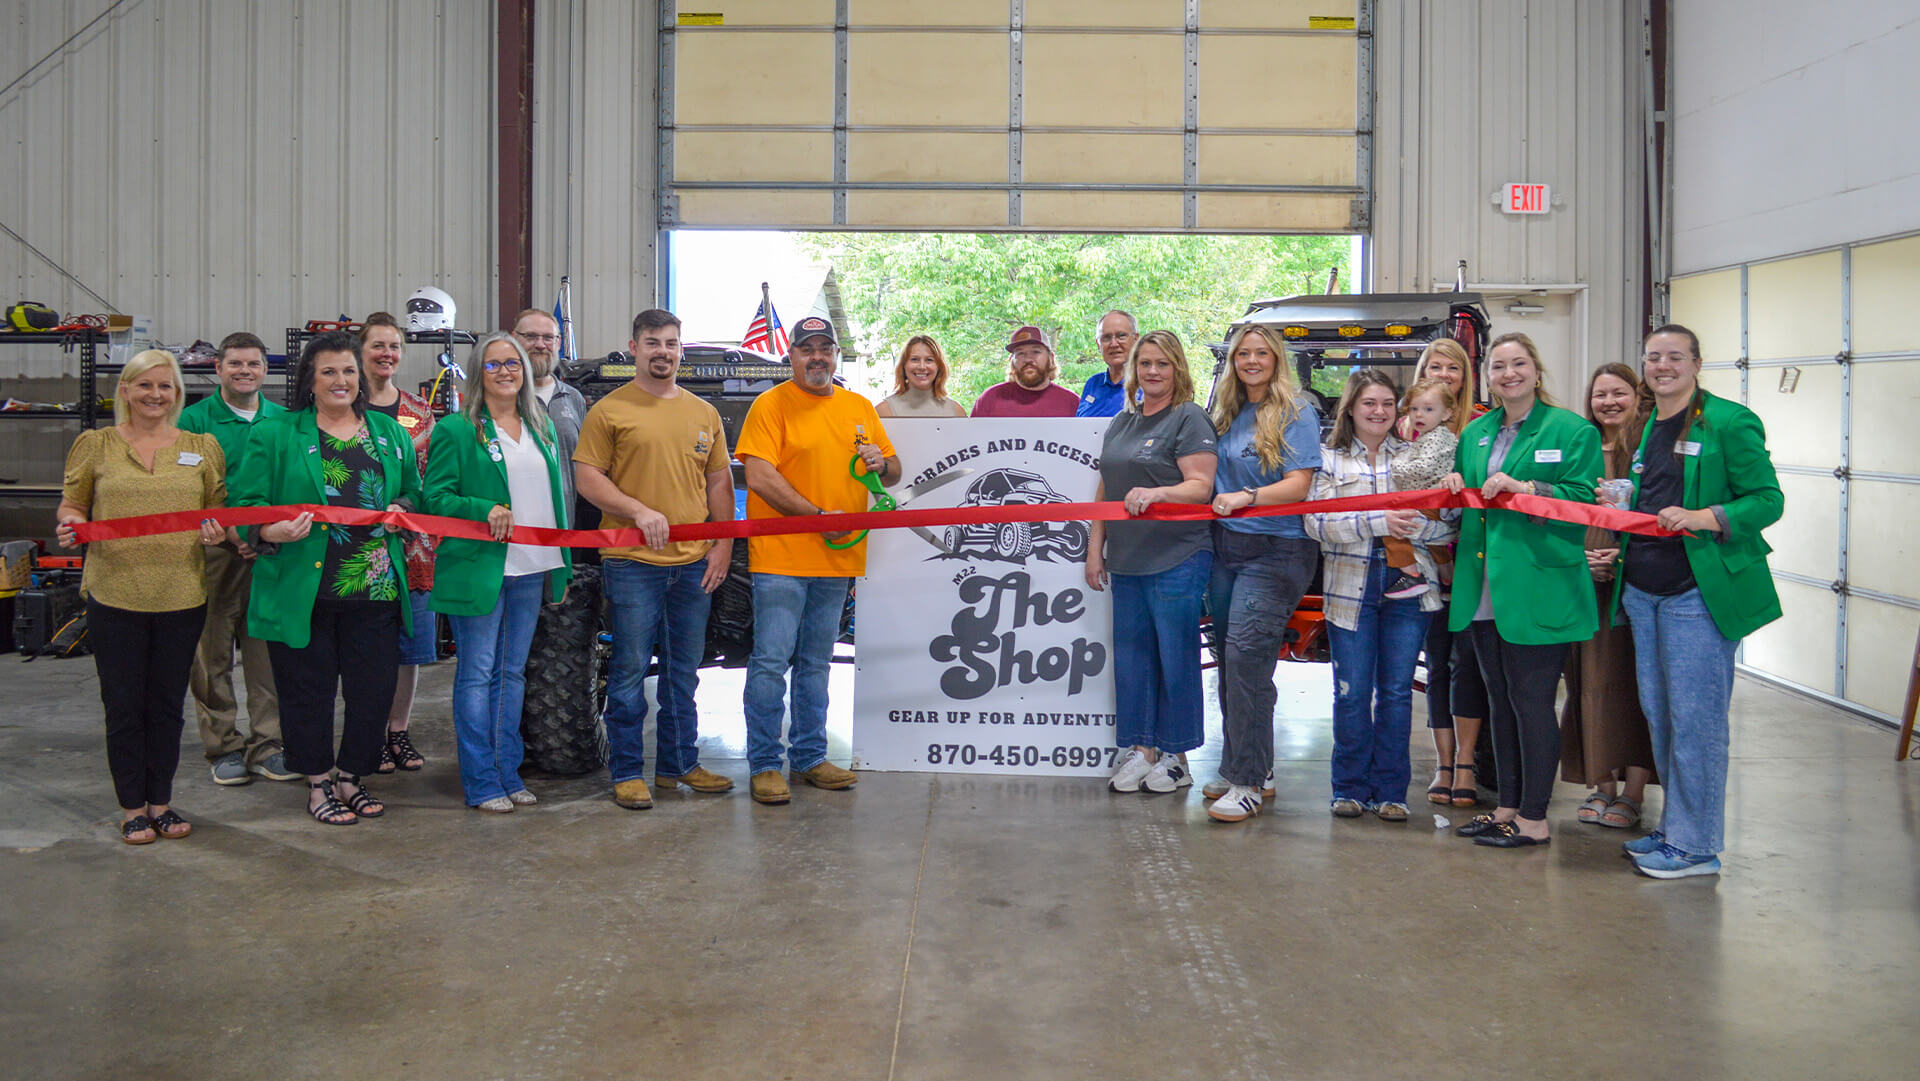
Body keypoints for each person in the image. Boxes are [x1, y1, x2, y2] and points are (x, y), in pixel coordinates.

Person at [228, 331, 424, 826]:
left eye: (349, 371)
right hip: (302, 589)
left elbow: (414, 493)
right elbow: (243, 505)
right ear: (309, 382)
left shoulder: (389, 432)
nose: (341, 381)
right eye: (329, 372)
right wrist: (267, 529)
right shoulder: (277, 433)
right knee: (306, 691)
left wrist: (402, 508)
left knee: (372, 691)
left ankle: (351, 777)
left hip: (375, 588)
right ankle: (318, 783)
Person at [1613, 325, 1782, 879]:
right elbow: (1653, 493)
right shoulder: (1646, 425)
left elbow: (1767, 500)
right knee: (1661, 716)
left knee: (1696, 721)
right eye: (1654, 357)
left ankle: (1697, 847)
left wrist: (1708, 518)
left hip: (1697, 592)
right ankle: (1676, 829)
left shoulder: (1729, 421)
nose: (1663, 366)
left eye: (1675, 357)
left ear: (1697, 363)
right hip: (1644, 589)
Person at [56, 350, 226, 844]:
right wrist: (70, 525)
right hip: (115, 595)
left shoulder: (201, 445)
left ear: (177, 394)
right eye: (145, 385)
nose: (155, 395)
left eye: (166, 387)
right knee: (124, 705)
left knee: (168, 705)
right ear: (125, 390)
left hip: (181, 595)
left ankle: (162, 803)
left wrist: (216, 534)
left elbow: (216, 511)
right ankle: (132, 807)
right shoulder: (97, 445)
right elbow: (73, 504)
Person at [1442, 332, 1602, 848]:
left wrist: (1530, 488)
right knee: (1500, 702)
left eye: (1518, 364)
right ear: (1486, 376)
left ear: (1536, 370)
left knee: (1532, 703)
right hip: (1485, 586)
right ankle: (1507, 805)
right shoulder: (1477, 432)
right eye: (1497, 366)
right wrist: (1450, 488)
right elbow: (1469, 498)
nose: (1508, 374)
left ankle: (1534, 817)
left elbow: (1584, 500)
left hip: (1539, 585)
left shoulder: (1572, 431)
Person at [574, 309, 737, 809]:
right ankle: (627, 772)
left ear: (680, 349)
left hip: (694, 565)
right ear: (635, 348)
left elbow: (718, 481)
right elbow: (588, 478)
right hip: (632, 563)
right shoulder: (609, 410)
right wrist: (636, 510)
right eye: (652, 343)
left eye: (670, 343)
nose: (662, 351)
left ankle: (677, 766)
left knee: (683, 673)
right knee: (626, 673)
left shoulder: (702, 412)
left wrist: (722, 545)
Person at [736, 314, 897, 805]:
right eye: (807, 349)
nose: (817, 357)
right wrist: (818, 516)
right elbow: (759, 476)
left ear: (835, 356)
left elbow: (892, 471)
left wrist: (881, 463)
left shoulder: (858, 407)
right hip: (782, 558)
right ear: (792, 357)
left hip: (836, 560)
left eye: (825, 348)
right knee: (770, 661)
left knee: (815, 663)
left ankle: (809, 757)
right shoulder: (771, 405)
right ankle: (765, 763)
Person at [426, 333, 572, 813]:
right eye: (493, 365)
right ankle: (482, 782)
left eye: (513, 363)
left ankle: (508, 773)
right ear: (478, 373)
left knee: (512, 674)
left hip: (532, 567)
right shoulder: (456, 429)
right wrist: (482, 507)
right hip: (481, 568)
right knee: (477, 674)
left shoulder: (541, 424)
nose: (506, 371)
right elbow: (436, 499)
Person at [1305, 370, 1457, 821]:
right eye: (1370, 403)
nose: (1379, 411)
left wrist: (1418, 526)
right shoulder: (1328, 460)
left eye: (1389, 403)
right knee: (1351, 693)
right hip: (1348, 588)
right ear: (1351, 407)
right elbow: (1316, 524)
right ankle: (1348, 788)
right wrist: (1378, 523)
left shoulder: (1417, 456)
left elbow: (1446, 526)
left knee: (1395, 693)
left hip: (1409, 589)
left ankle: (1392, 793)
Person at [1085, 330, 1217, 795]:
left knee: (1175, 657)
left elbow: (1200, 486)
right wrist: (1094, 545)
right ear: (1134, 370)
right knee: (1133, 658)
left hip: (1177, 556)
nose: (1153, 371)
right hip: (1127, 558)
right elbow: (1106, 486)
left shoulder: (1189, 418)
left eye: (1162, 363)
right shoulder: (1123, 423)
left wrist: (1158, 493)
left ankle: (1177, 757)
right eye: (1146, 364)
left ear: (1177, 368)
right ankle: (1141, 751)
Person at [1200, 324, 1321, 822]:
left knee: (1247, 659)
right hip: (1227, 548)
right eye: (1243, 353)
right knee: (1233, 663)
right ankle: (1254, 767)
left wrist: (1247, 498)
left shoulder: (1298, 411)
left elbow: (1299, 484)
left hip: (1279, 550)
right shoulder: (1226, 413)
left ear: (1276, 360)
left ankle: (1246, 783)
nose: (1252, 360)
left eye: (1261, 353)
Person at [178, 331, 294, 786]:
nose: (245, 371)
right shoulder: (193, 422)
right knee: (213, 653)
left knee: (267, 652)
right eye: (235, 364)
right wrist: (230, 533)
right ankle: (223, 745)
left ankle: (268, 744)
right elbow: (183, 489)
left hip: (269, 553)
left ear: (266, 370)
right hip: (213, 554)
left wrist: (262, 536)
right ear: (218, 369)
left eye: (253, 364)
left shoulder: (285, 421)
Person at [1562, 362, 1656, 830]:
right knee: (1591, 683)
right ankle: (1603, 785)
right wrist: (1579, 561)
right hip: (1582, 581)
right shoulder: (1580, 447)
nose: (1608, 403)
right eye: (1600, 394)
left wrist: (1619, 560)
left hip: (1634, 579)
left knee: (1634, 685)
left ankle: (1634, 792)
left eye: (1618, 393)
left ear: (1636, 397)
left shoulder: (1648, 450)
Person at [1400, 338, 1489, 807]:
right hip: (1425, 564)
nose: (1445, 373)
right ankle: (1444, 763)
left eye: (1453, 368)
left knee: (1468, 667)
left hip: (1471, 564)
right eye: (1435, 366)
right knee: (1436, 665)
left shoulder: (1481, 427)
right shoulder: (1407, 427)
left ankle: (1470, 764)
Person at [359, 312, 437, 773]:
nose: (387, 354)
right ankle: (366, 732)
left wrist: (407, 506)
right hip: (354, 552)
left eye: (394, 347)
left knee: (408, 650)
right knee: (364, 648)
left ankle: (397, 732)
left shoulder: (418, 413)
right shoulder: (340, 408)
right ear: (360, 351)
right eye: (378, 346)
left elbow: (428, 481)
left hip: (412, 551)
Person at [1380, 377, 1460, 599]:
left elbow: (1423, 468)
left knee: (1393, 527)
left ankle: (1412, 574)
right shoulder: (1431, 437)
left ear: (1445, 414)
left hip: (1430, 502)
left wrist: (1396, 465)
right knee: (1437, 545)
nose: (1419, 415)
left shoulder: (1436, 438)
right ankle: (1448, 580)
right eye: (1414, 409)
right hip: (1436, 504)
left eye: (1428, 409)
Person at [512, 307, 588, 512]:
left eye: (548, 338)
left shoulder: (573, 399)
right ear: (514, 339)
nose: (540, 345)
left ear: (558, 343)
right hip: (516, 528)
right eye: (530, 336)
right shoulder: (503, 398)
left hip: (567, 528)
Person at [970, 325, 1081, 417]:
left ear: (1051, 357)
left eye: (1036, 352)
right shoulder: (990, 399)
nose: (1028, 359)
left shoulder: (1072, 403)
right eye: (1020, 353)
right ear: (1011, 360)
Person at [875, 335, 967, 418]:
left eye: (929, 360)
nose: (922, 367)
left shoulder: (957, 412)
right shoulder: (883, 412)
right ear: (903, 365)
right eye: (915, 359)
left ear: (939, 367)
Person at [1076, 310, 1138, 417]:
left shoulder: (1148, 384)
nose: (1113, 344)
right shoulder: (1093, 384)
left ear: (1136, 339)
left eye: (1121, 336)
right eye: (1106, 338)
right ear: (1098, 345)